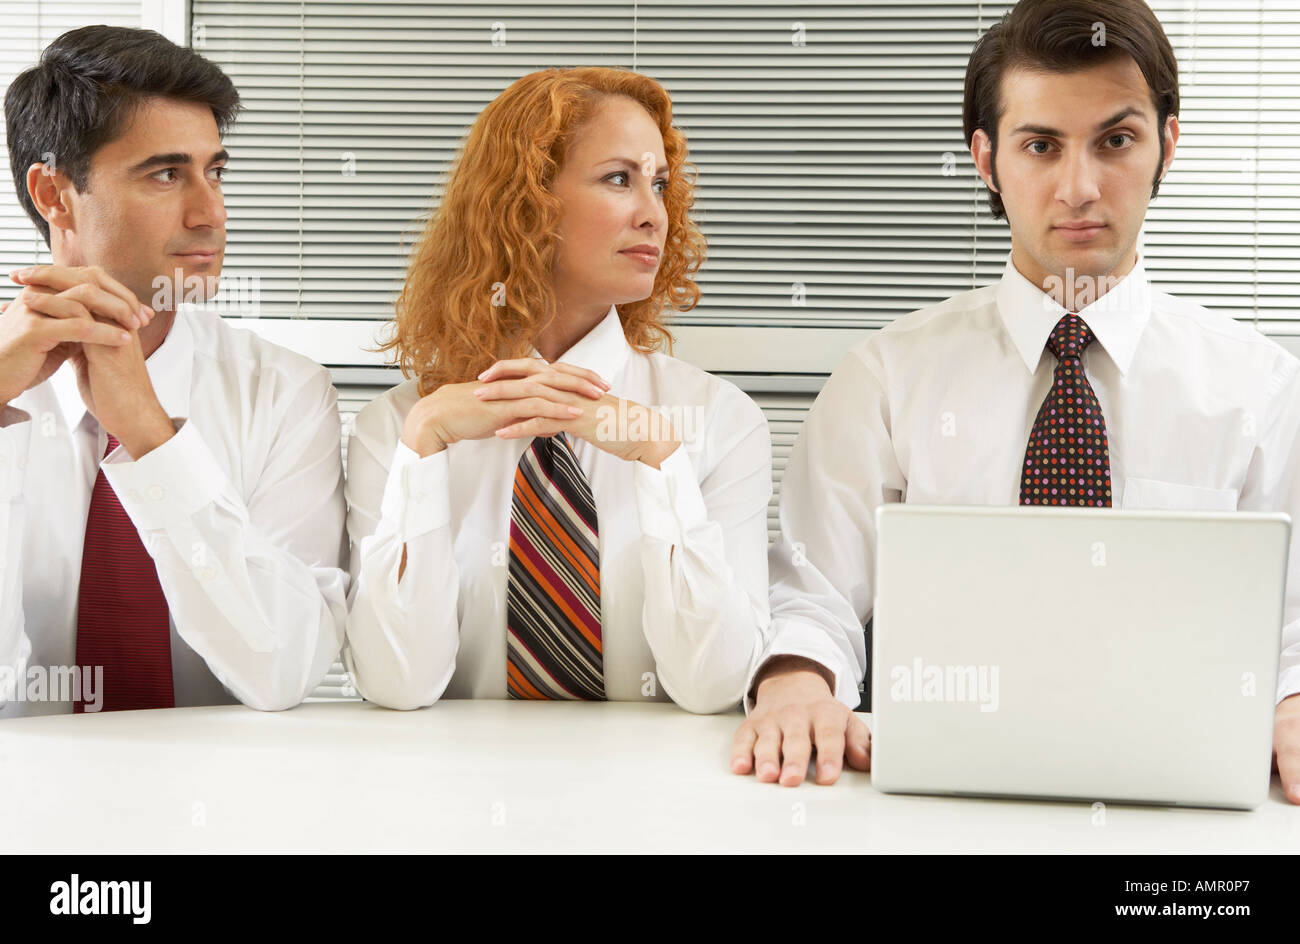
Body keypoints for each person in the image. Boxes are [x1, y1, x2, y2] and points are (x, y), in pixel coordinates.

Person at [732, 0, 1300, 801]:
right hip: (937, 798)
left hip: (1183, 798)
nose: (1080, 187)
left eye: (1116, 140)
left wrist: (1291, 701)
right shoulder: (887, 377)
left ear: (1166, 147)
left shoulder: (1262, 389)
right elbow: (811, 594)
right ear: (985, 158)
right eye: (1041, 145)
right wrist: (796, 682)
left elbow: (1292, 626)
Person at [343, 67, 771, 711]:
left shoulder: (718, 421)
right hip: (448, 795)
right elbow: (396, 685)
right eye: (620, 179)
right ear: (527, 201)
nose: (654, 213)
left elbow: (714, 687)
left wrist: (662, 461)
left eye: (660, 185)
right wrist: (423, 450)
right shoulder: (397, 429)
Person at [0, 26, 348, 716]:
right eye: (165, 174)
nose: (211, 213)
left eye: (214, 171)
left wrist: (154, 441)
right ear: (54, 193)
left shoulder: (283, 394)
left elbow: (286, 668)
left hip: (218, 806)